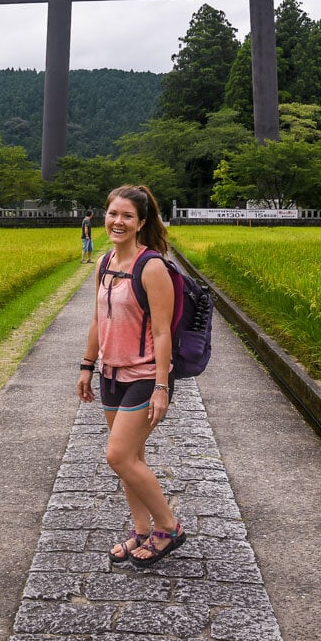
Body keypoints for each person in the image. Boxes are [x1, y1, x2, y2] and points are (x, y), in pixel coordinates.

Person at [76, 184, 186, 568]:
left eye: (127, 216)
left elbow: (161, 332)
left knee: (118, 455)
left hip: (144, 376)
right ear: (103, 216)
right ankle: (142, 531)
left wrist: (160, 387)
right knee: (132, 458)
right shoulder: (105, 263)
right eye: (112, 214)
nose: (117, 221)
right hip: (110, 373)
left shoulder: (152, 266)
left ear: (141, 223)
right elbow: (97, 319)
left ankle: (168, 527)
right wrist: (87, 366)